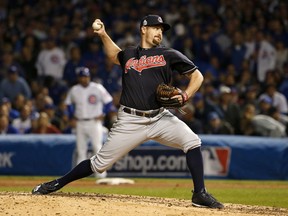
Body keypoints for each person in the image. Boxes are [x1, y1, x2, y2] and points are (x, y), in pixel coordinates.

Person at [32, 15, 224, 209]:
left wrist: (185, 95)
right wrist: (103, 34)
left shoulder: (169, 54)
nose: (159, 32)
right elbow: (114, 55)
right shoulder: (130, 53)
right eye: (155, 27)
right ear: (143, 29)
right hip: (130, 121)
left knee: (192, 142)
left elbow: (197, 75)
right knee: (99, 164)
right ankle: (57, 183)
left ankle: (199, 193)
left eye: (162, 29)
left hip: (159, 117)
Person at [65, 66, 114, 178]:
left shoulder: (97, 88)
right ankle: (78, 176)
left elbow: (109, 101)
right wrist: (71, 116)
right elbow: (68, 104)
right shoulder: (74, 89)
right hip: (80, 122)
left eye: (86, 76)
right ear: (79, 78)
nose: (84, 79)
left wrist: (104, 113)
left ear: (89, 77)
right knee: (81, 150)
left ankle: (100, 175)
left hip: (94, 122)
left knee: (98, 148)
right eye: (82, 77)